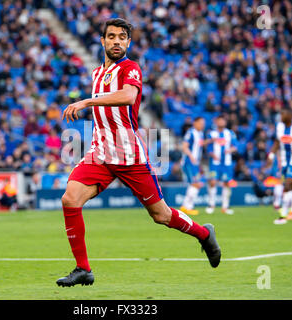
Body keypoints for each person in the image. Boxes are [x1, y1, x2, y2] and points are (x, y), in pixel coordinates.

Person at [56, 18, 221, 287]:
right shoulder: (97, 73)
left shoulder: (130, 68)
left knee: (161, 216)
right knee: (70, 199)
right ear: (103, 41)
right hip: (100, 154)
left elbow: (129, 96)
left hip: (130, 156)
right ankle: (83, 269)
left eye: (122, 37)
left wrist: (86, 101)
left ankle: (204, 234)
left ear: (128, 42)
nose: (117, 41)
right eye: (111, 36)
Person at [266, 109, 292, 225]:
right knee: (289, 187)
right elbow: (277, 142)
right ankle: (290, 212)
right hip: (285, 162)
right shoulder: (279, 127)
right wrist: (271, 154)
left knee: (289, 183)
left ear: (290, 116)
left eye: (283, 114)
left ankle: (285, 214)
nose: (281, 116)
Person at [205, 115, 238, 215]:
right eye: (219, 120)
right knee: (213, 182)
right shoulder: (212, 134)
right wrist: (212, 154)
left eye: (223, 120)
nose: (221, 122)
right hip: (215, 163)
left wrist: (230, 150)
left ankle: (225, 206)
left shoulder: (230, 133)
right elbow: (208, 148)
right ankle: (211, 205)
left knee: (227, 183)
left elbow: (236, 146)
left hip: (227, 163)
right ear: (216, 122)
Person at [180, 117, 211, 215]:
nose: (203, 125)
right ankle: (187, 207)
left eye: (203, 123)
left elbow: (199, 145)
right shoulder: (191, 132)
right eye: (201, 123)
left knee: (198, 183)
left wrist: (211, 141)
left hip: (195, 163)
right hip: (189, 162)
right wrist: (191, 157)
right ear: (195, 123)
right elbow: (184, 146)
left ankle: (185, 206)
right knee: (195, 183)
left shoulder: (200, 134)